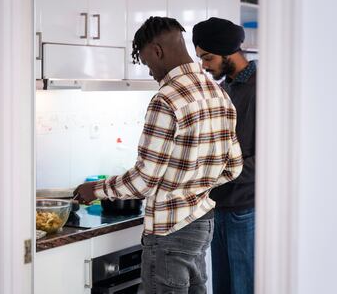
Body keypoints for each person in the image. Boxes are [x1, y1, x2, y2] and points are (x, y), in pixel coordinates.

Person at [74, 16, 243, 294]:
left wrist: (97, 190)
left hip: (169, 231)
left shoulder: (166, 98)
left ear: (157, 51)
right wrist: (193, 185)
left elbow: (145, 181)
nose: (150, 71)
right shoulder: (218, 92)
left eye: (145, 61)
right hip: (202, 224)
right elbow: (232, 167)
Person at [192, 17, 257, 294]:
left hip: (246, 207)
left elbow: (270, 160)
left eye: (207, 58)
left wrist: (214, 173)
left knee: (243, 288)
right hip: (219, 206)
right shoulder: (226, 88)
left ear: (228, 51)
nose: (204, 66)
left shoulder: (261, 89)